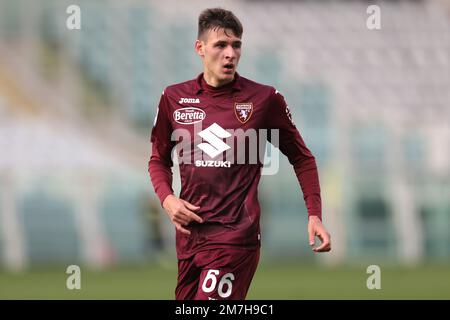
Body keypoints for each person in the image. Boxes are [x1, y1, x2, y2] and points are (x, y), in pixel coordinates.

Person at [148, 7, 331, 300]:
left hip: (235, 239)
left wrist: (314, 214)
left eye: (236, 45)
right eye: (221, 45)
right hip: (190, 239)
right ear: (200, 48)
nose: (230, 53)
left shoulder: (264, 99)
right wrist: (168, 199)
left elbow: (302, 157)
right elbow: (158, 158)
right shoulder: (173, 98)